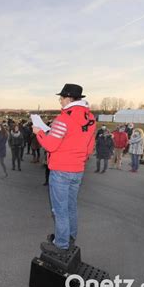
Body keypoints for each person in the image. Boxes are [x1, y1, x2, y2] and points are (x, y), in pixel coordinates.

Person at [33, 84, 96, 256]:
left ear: (68, 98)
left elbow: (50, 145)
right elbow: (89, 148)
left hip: (61, 170)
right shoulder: (90, 118)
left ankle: (61, 244)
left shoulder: (63, 119)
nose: (60, 100)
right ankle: (69, 236)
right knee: (71, 206)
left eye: (61, 97)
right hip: (78, 169)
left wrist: (39, 132)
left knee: (59, 210)